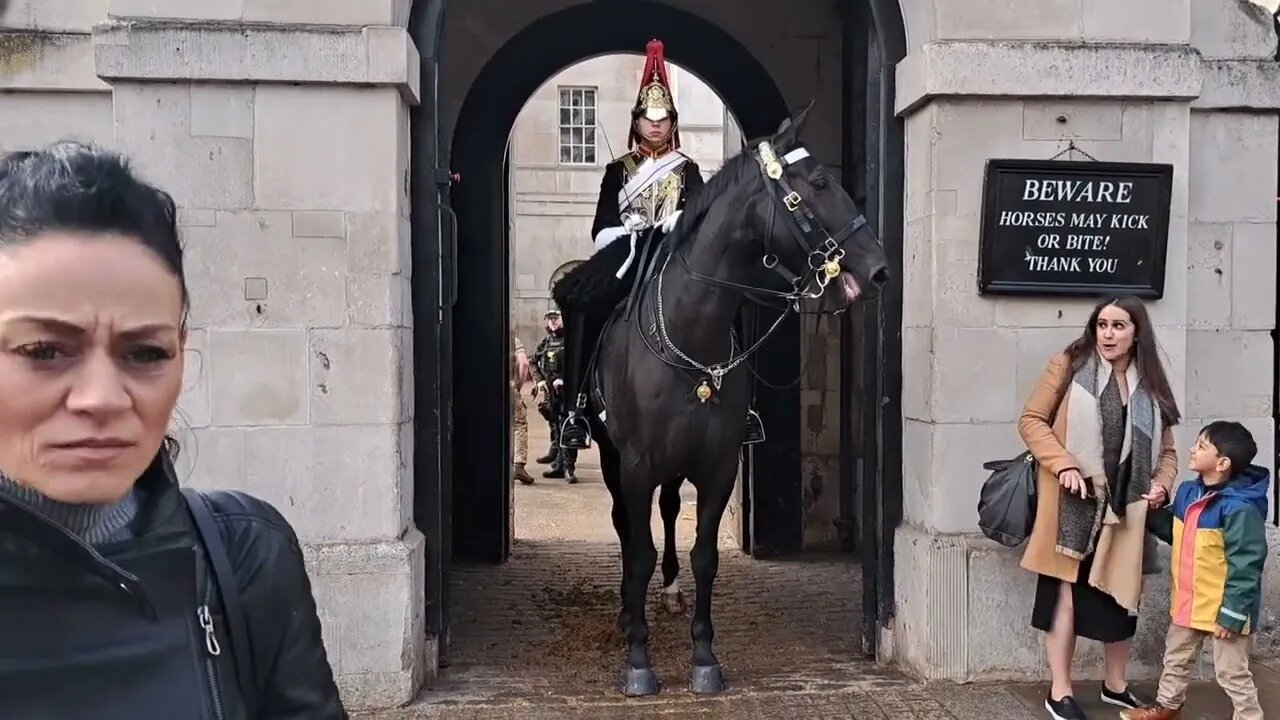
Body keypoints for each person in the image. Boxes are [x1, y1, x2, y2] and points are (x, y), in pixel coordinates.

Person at [0, 142, 345, 718]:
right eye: (44, 350)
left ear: (183, 353)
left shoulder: (245, 556)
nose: (102, 399)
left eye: (144, 352)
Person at [554, 38, 765, 451]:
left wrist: (679, 221)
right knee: (578, 299)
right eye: (648, 118)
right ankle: (575, 407)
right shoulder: (618, 170)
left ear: (672, 122)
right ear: (636, 122)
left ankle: (746, 407)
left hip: (675, 248)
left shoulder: (686, 169)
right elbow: (601, 225)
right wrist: (627, 227)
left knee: (732, 296)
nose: (655, 125)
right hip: (629, 249)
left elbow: (705, 217)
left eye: (662, 118)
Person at [1018, 295, 1181, 720]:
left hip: (1127, 512)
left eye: (1118, 325)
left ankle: (1115, 685)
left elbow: (1167, 453)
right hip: (1072, 505)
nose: (1108, 334)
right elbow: (1032, 420)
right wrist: (1065, 463)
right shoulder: (1069, 365)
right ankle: (1060, 692)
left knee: (1122, 599)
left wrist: (1161, 486)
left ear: (1136, 332)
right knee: (1064, 597)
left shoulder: (1151, 382)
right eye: (1102, 324)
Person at [1122, 421, 1269, 720]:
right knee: (1175, 658)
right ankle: (1167, 706)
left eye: (1202, 446)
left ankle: (1249, 716)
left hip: (1224, 609)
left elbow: (1247, 565)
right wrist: (1152, 512)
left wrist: (1232, 614)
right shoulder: (1190, 493)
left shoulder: (1240, 509)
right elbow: (1176, 532)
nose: (1192, 448)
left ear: (1222, 463)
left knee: (1231, 672)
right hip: (1189, 601)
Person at [531, 308, 577, 483]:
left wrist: (566, 380)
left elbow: (579, 364)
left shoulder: (571, 340)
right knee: (555, 425)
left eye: (555, 318)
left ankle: (568, 468)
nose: (552, 322)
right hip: (551, 393)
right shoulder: (547, 340)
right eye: (549, 319)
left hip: (568, 392)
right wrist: (540, 380)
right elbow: (533, 360)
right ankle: (558, 462)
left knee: (569, 427)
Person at [512, 332, 534, 485]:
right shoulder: (512, 339)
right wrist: (518, 385)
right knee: (518, 424)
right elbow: (524, 364)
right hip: (508, 386)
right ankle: (518, 465)